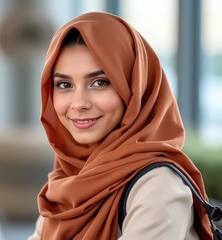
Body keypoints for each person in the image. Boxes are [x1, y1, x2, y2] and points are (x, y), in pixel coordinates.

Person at [28, 12, 213, 239]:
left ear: (134, 88)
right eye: (65, 84)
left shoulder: (158, 186)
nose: (79, 103)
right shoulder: (67, 181)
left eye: (100, 82)